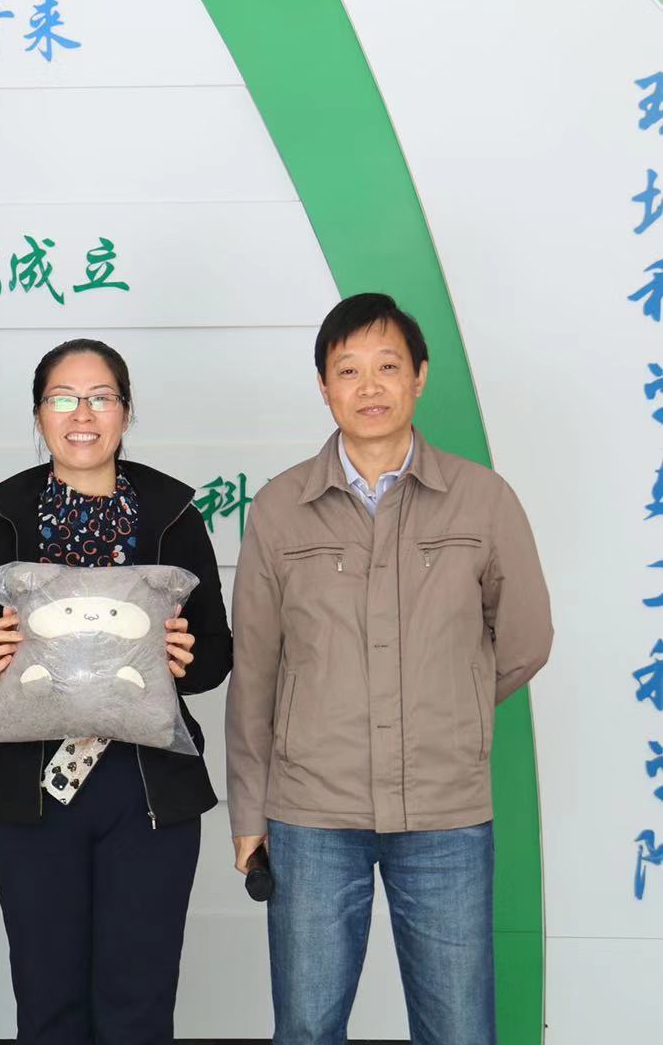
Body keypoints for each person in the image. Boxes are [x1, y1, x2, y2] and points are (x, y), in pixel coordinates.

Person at [226, 292, 554, 1045]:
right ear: (324, 386)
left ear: (420, 376)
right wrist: (249, 814)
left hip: (445, 811)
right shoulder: (280, 507)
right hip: (311, 812)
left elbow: (526, 639)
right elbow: (256, 670)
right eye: (348, 370)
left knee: (459, 1029)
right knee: (307, 1027)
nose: (369, 387)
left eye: (387, 366)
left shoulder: (482, 500)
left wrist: (451, 705)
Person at [0, 337, 232, 1045]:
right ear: (39, 414)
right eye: (63, 399)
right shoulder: (1, 522)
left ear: (126, 413)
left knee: (139, 1004)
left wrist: (188, 657)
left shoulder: (173, 516)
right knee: (48, 1003)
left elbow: (216, 654)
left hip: (148, 788)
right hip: (34, 790)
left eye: (100, 398)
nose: (83, 414)